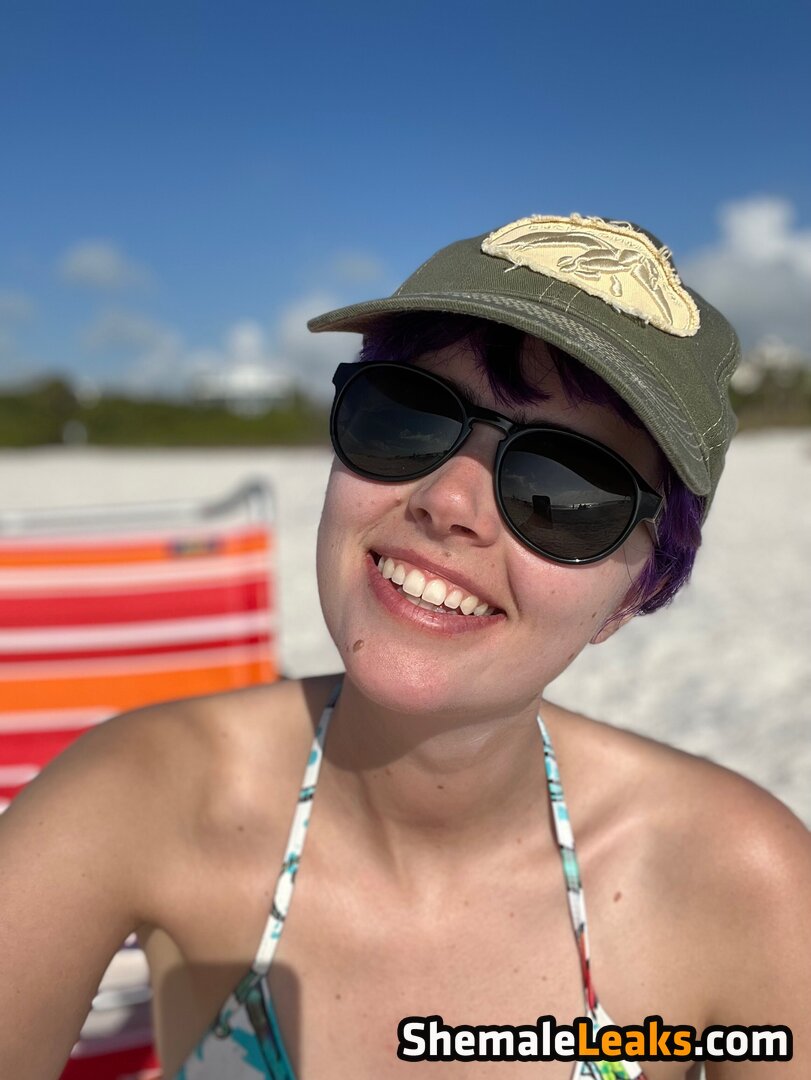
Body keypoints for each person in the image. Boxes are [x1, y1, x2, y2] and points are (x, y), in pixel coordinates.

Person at [2, 212, 809, 1080]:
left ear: (635, 594)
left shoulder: (741, 886)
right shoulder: (143, 794)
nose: (448, 501)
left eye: (565, 488)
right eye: (406, 416)